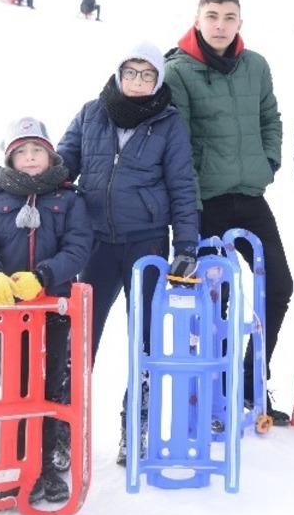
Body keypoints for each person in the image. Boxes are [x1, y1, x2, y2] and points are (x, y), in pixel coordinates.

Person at [54, 42, 199, 464]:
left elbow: (182, 187)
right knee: (80, 340)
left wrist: (186, 244)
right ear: (119, 74)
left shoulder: (169, 123)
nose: (138, 82)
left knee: (145, 341)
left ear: (158, 80)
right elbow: (63, 165)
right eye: (131, 73)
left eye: (147, 75)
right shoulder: (91, 113)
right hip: (95, 244)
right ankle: (63, 430)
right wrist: (25, 178)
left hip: (147, 245)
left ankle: (137, 425)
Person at [165, 0, 293, 425]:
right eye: (213, 16)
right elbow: (178, 142)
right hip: (206, 204)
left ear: (240, 22)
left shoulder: (255, 66)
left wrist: (268, 162)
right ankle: (214, 391)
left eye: (229, 17)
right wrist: (191, 206)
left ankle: (252, 380)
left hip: (251, 197)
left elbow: (270, 118)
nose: (221, 25)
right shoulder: (178, 71)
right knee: (213, 299)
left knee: (279, 286)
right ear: (198, 19)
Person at [0, 118, 93, 504]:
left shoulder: (68, 199)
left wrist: (44, 275)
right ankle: (20, 462)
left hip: (53, 308)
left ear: (50, 155)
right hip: (12, 316)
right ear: (11, 159)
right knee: (18, 386)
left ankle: (49, 464)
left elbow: (78, 246)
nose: (31, 158)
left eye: (37, 150)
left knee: (52, 383)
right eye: (22, 152)